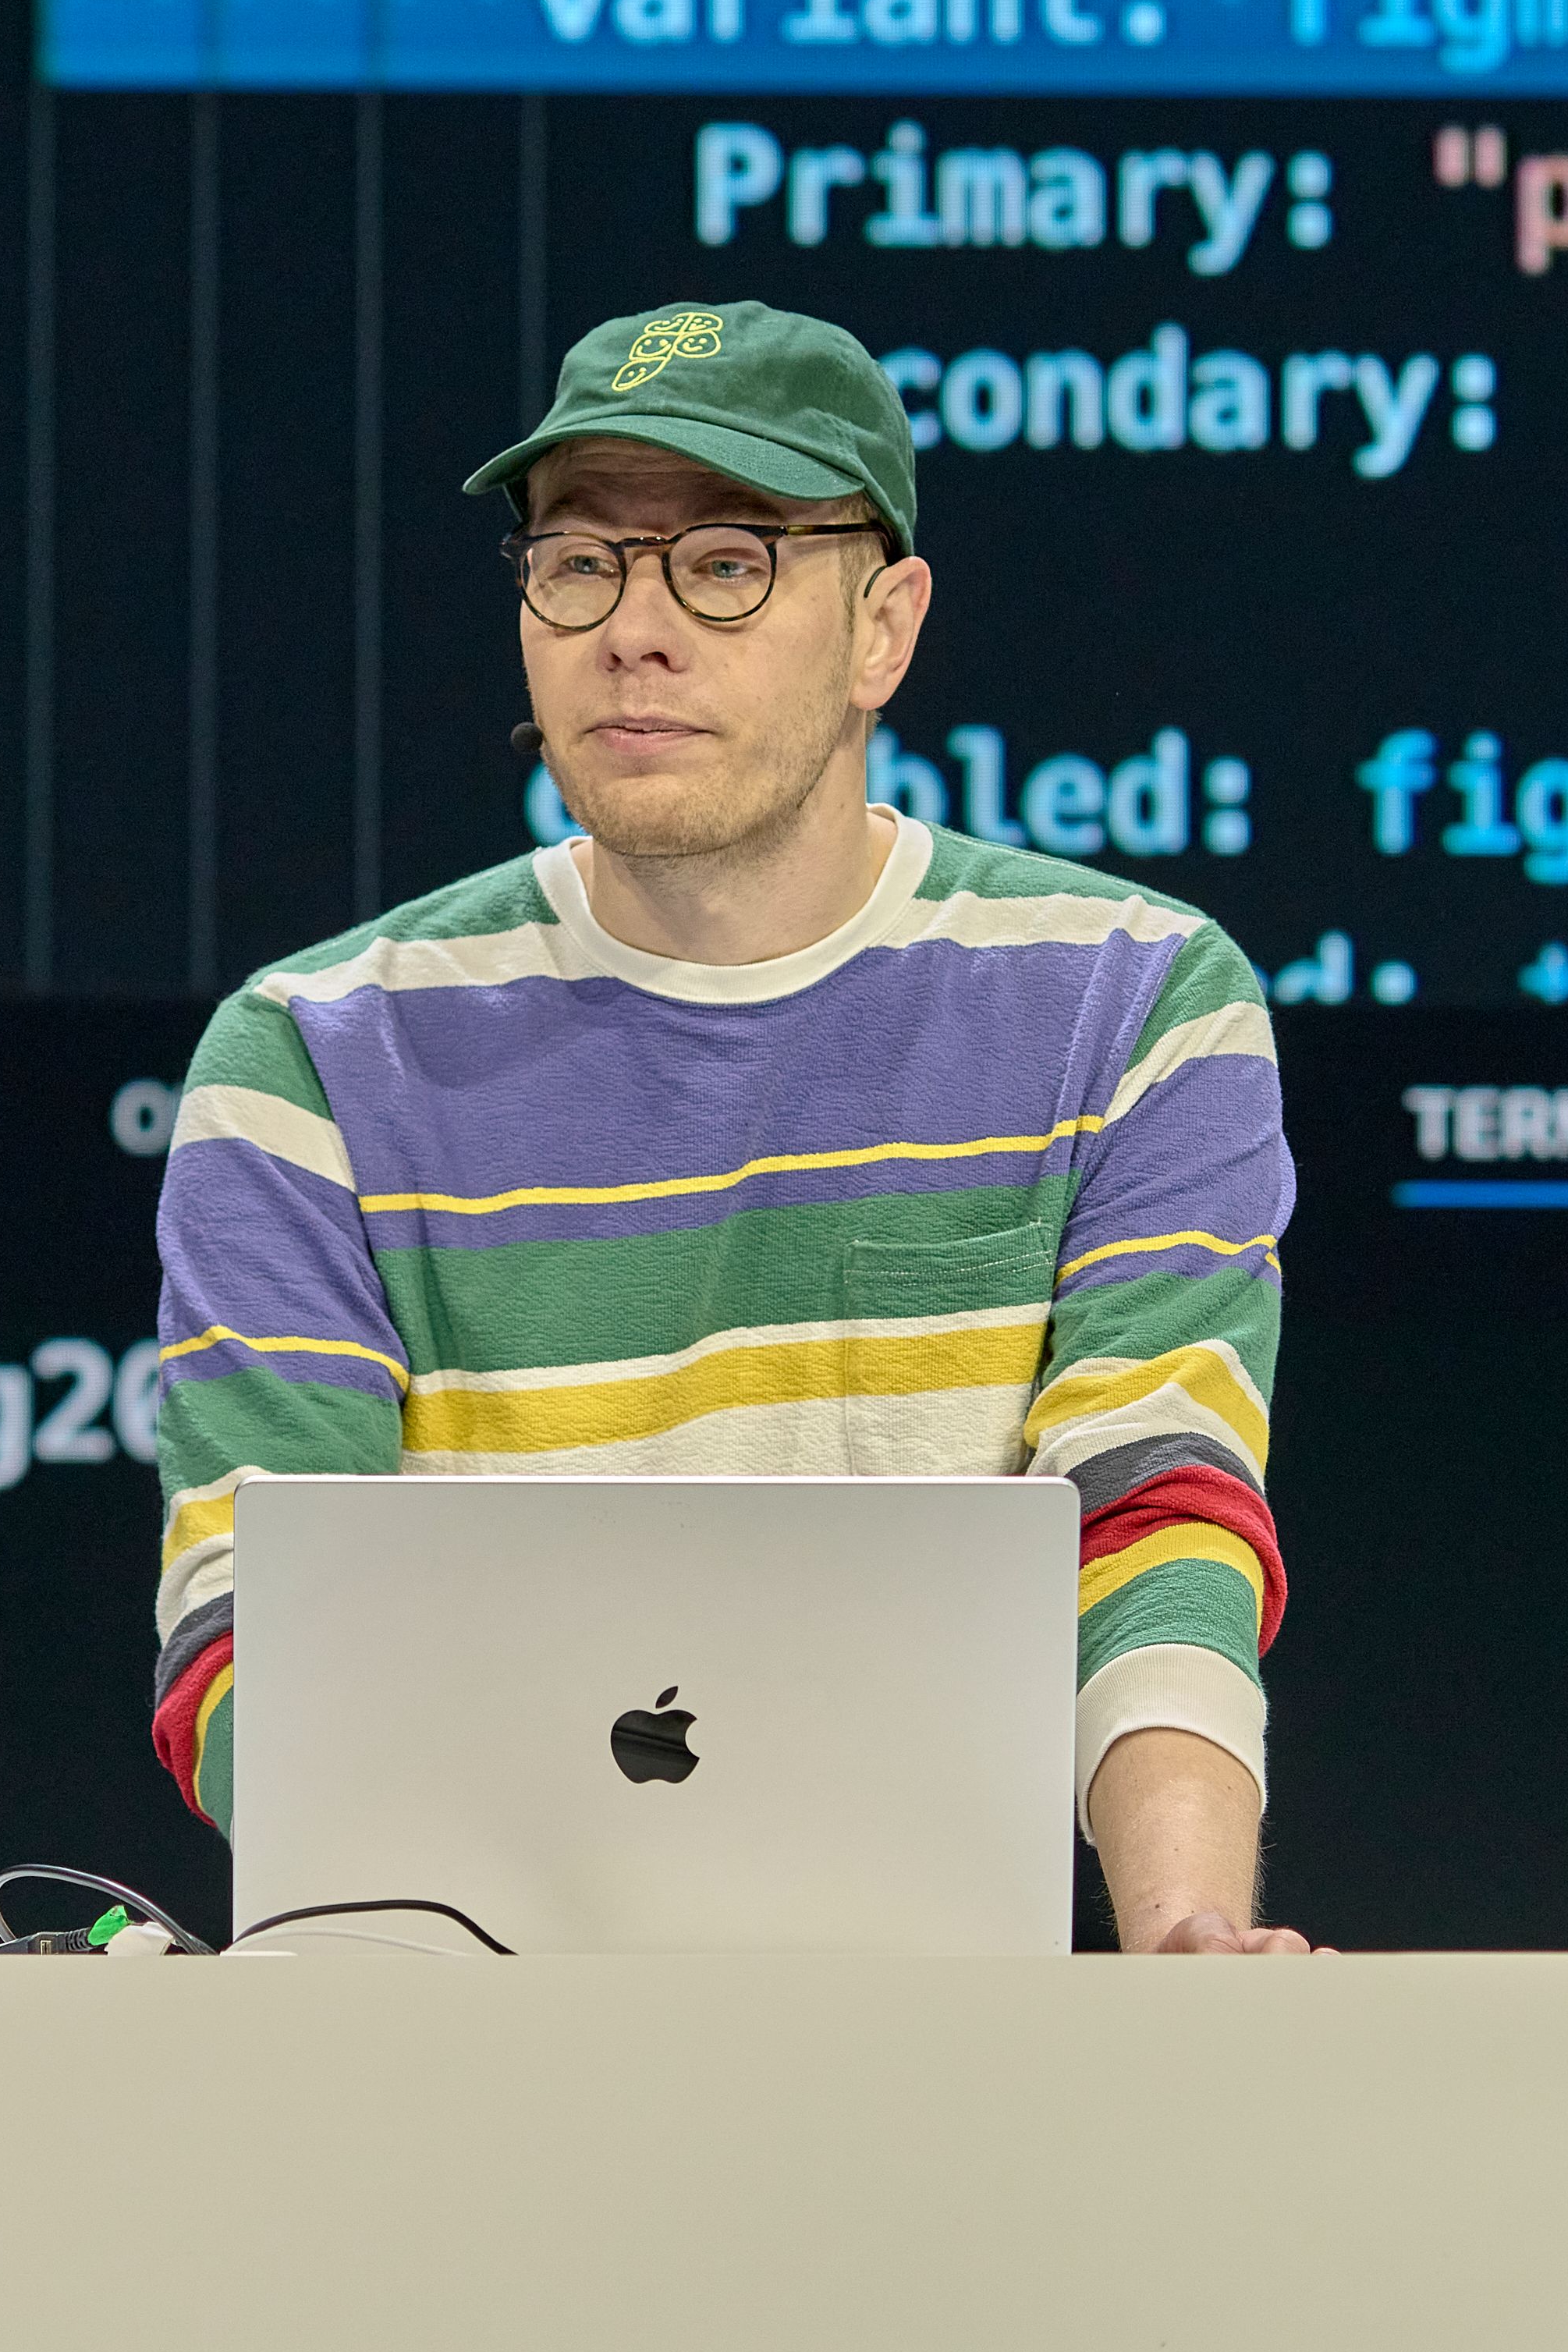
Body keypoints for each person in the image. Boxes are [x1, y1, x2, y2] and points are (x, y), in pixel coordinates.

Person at [140, 300, 1304, 1952]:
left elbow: (1153, 1527)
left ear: (884, 629)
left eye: (727, 563)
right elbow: (247, 1633)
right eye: (579, 563)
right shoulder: (310, 1058)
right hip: (446, 2024)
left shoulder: (1131, 999)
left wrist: (1183, 1933)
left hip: (937, 2027)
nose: (636, 630)